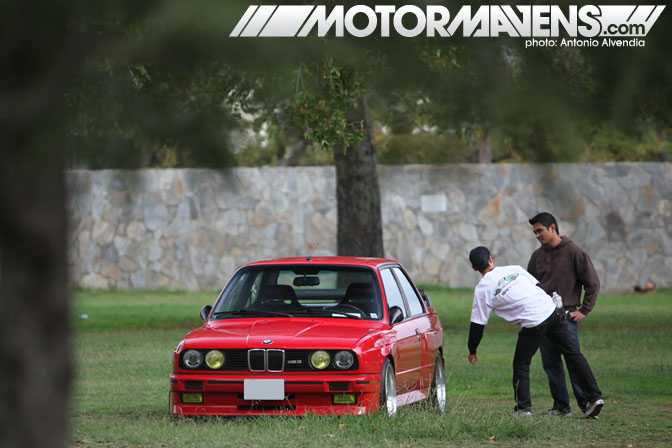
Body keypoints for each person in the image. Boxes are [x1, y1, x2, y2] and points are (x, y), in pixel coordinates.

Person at [467, 246, 604, 418]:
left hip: (534, 323)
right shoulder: (514, 269)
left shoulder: (482, 289)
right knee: (574, 355)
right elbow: (538, 286)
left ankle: (524, 409)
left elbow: (478, 324)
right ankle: (595, 398)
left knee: (521, 364)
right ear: (491, 259)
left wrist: (472, 349)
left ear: (474, 268)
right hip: (553, 312)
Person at [527, 212, 600, 417]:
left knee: (573, 360)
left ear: (553, 228)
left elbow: (592, 283)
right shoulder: (537, 256)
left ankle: (587, 405)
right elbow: (530, 285)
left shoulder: (574, 251)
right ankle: (561, 407)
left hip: (566, 316)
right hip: (542, 316)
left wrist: (584, 310)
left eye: (540, 231)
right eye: (535, 232)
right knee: (550, 363)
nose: (537, 235)